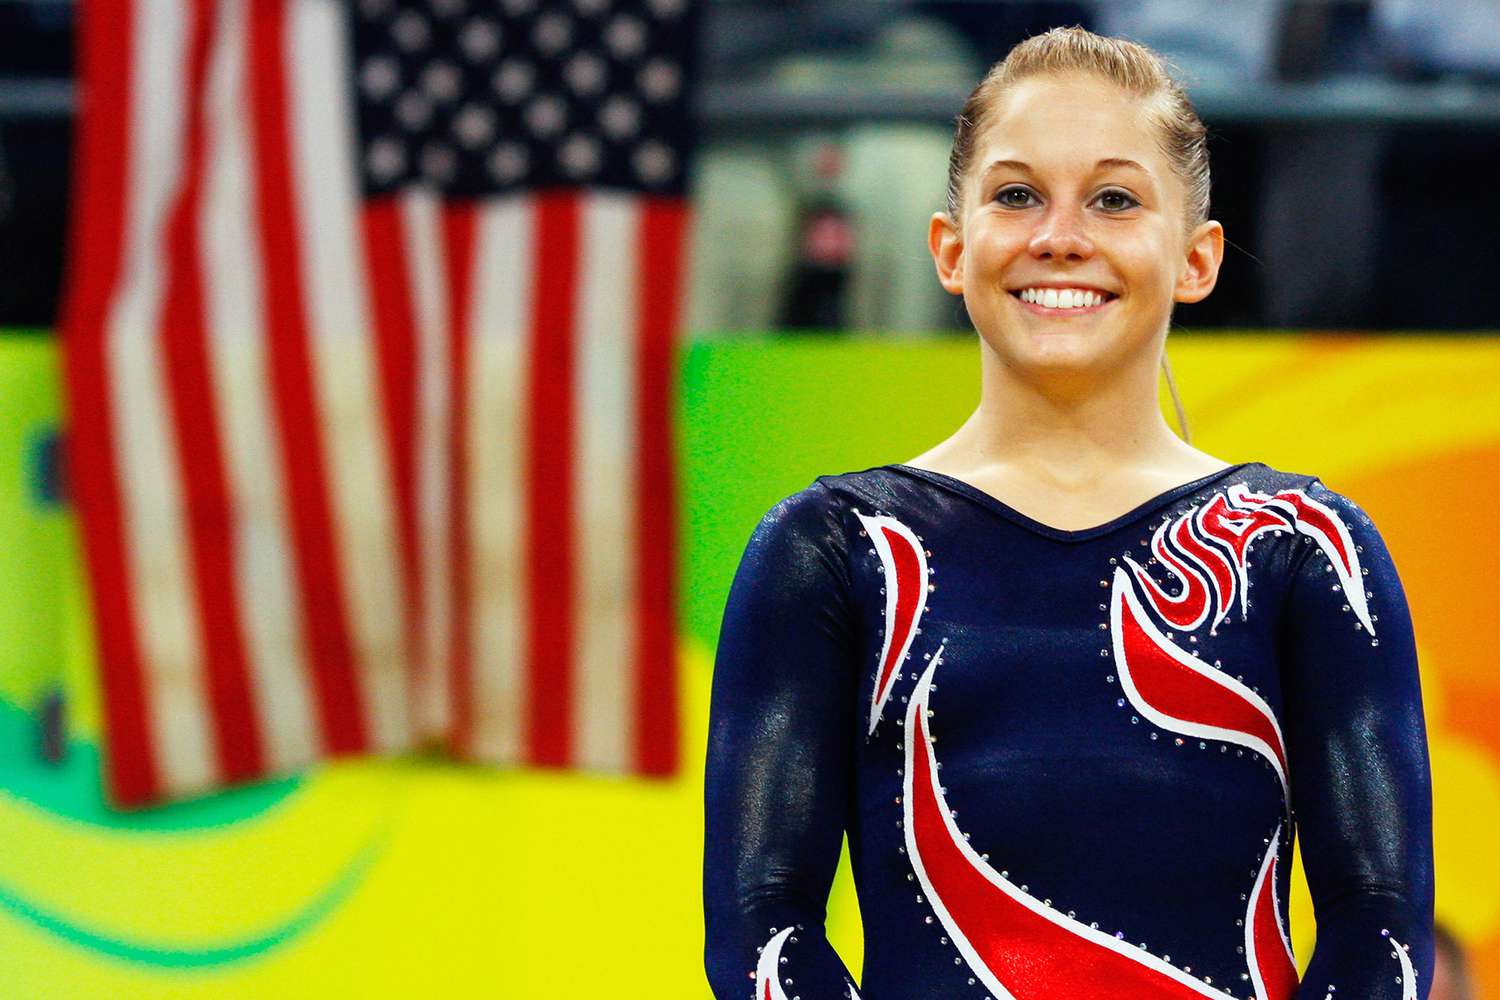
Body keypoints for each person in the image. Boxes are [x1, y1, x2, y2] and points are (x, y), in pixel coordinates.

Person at [702, 26, 1435, 1000]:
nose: (1059, 234)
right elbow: (762, 928)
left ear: (1196, 258)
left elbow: (1379, 928)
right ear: (951, 250)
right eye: (1016, 195)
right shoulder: (837, 551)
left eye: (1115, 199)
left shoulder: (1304, 550)